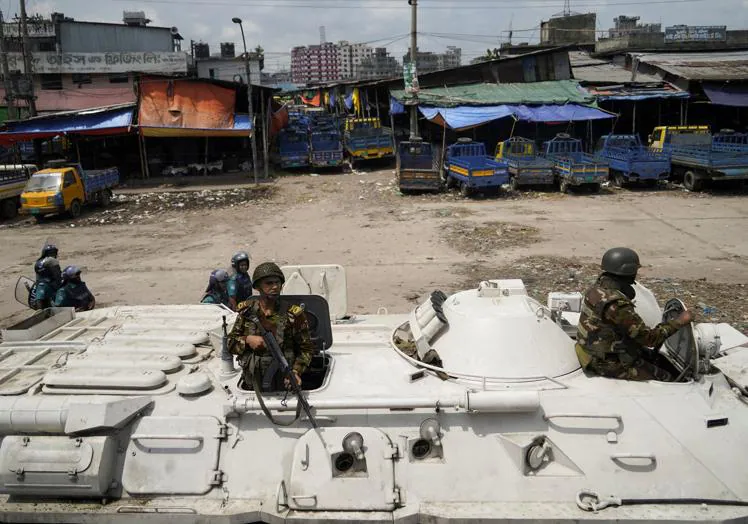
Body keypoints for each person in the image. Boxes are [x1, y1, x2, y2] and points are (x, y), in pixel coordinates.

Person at [576, 247, 694, 381]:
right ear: (629, 271)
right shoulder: (617, 305)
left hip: (591, 353)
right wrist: (680, 321)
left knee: (653, 358)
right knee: (670, 379)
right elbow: (650, 339)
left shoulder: (597, 288)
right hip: (607, 364)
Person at [227, 262, 314, 391]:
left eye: (277, 283)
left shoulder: (293, 314)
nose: (275, 287)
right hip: (253, 384)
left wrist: (296, 371)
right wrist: (247, 340)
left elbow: (306, 349)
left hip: (284, 381)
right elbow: (230, 344)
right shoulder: (247, 311)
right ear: (257, 286)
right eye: (269, 283)